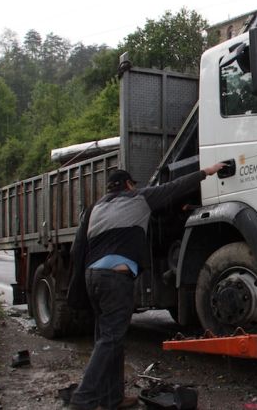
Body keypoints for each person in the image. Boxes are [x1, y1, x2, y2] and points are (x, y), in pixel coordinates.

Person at [70, 163, 224, 410]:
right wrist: (207, 171)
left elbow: (78, 248)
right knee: (110, 340)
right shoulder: (138, 198)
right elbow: (174, 187)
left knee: (109, 339)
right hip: (114, 279)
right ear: (129, 185)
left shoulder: (95, 208)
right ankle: (83, 399)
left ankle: (113, 398)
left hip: (92, 278)